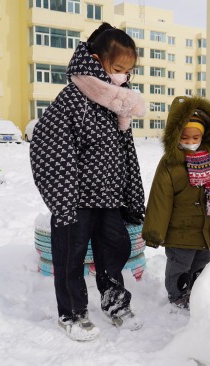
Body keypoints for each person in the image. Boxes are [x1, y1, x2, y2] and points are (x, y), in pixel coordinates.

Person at [30, 22, 146, 341]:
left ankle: (115, 303)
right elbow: (48, 142)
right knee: (72, 256)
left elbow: (127, 154)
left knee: (114, 249)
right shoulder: (75, 98)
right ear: (97, 61)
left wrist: (132, 196)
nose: (123, 76)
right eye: (117, 68)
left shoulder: (116, 105)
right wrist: (63, 198)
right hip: (76, 199)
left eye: (128, 70)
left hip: (108, 198)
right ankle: (72, 314)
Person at [142, 96, 210, 309]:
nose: (191, 142)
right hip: (180, 232)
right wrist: (154, 231)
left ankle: (197, 291)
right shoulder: (170, 163)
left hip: (206, 227)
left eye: (196, 137)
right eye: (185, 137)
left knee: (201, 263)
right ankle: (177, 295)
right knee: (180, 265)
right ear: (175, 135)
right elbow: (160, 199)